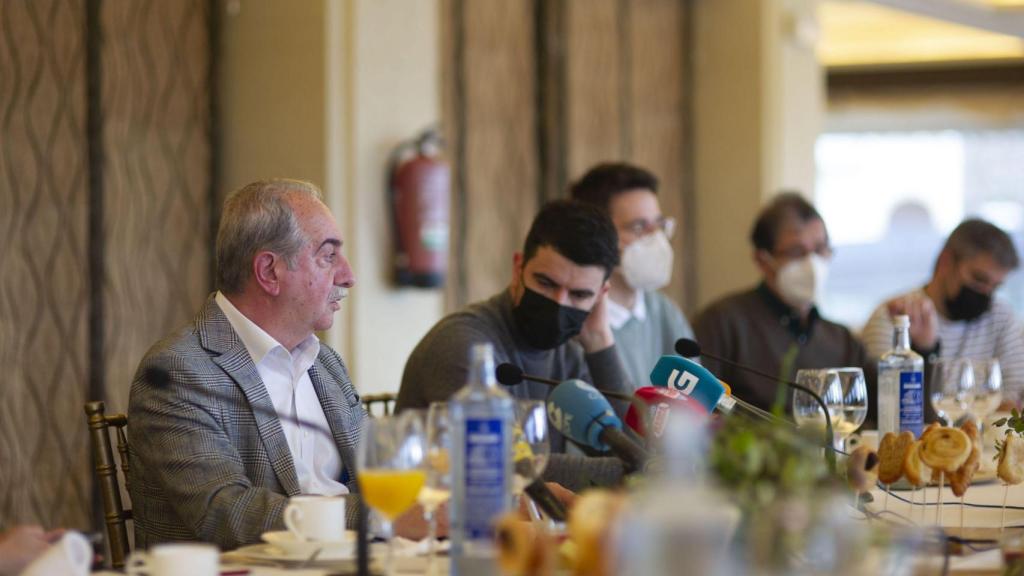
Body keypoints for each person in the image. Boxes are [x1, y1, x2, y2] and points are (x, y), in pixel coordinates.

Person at [128, 179, 393, 550]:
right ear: (269, 272)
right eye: (328, 256)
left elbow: (380, 473)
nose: (349, 276)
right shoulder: (178, 372)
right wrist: (379, 517)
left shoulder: (325, 363)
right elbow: (227, 513)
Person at [396, 200, 631, 489]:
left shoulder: (569, 353)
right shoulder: (464, 343)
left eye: (580, 295)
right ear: (518, 267)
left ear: (601, 296)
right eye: (545, 283)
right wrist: (641, 472)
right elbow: (502, 465)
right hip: (438, 527)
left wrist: (600, 342)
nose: (558, 304)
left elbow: (624, 446)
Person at [693, 192, 870, 414]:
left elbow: (886, 415)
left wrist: (924, 345)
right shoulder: (722, 323)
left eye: (820, 249)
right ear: (762, 260)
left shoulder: (841, 340)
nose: (812, 263)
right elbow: (697, 412)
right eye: (797, 251)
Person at [862, 218, 1024, 416]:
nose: (986, 293)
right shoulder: (895, 317)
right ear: (946, 261)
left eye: (995, 286)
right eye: (979, 279)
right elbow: (891, 407)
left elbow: (1010, 404)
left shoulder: (1001, 318)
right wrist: (925, 349)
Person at [570, 163, 694, 390]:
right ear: (597, 232)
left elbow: (696, 404)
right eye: (639, 227)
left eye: (659, 225)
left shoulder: (663, 310)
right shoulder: (576, 320)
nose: (656, 238)